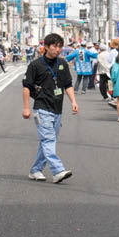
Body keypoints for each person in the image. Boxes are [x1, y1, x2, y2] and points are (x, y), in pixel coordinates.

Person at [23, 32, 78, 184]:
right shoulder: (35, 65)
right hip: (41, 108)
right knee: (48, 139)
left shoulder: (62, 64)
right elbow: (26, 87)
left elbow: (67, 84)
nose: (57, 49)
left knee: (47, 142)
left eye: (60, 46)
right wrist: (26, 108)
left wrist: (73, 101)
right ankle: (58, 170)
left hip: (57, 109)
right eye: (54, 46)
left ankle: (35, 170)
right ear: (46, 47)